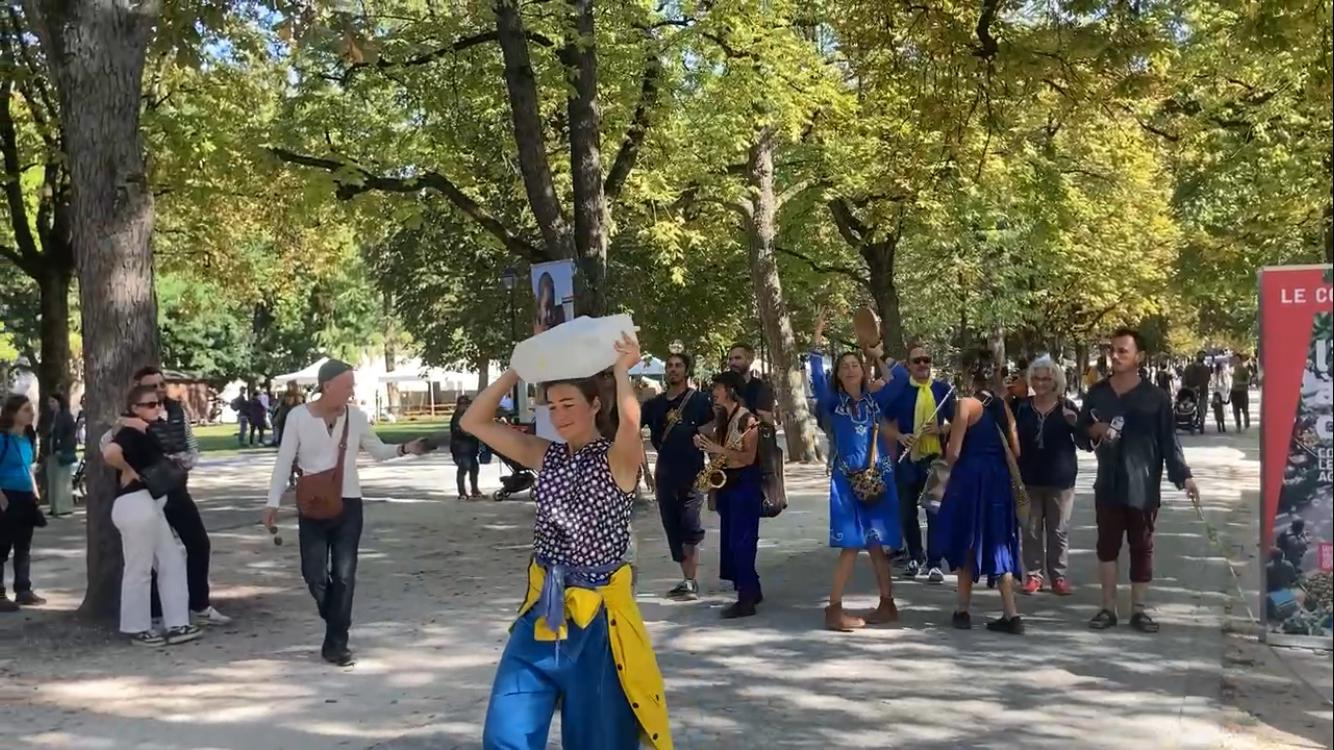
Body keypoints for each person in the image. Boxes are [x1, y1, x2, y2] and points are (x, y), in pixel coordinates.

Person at [460, 333, 672, 750]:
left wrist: (620, 371)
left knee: (600, 741)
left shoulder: (618, 460)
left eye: (569, 404)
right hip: (543, 610)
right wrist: (518, 370)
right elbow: (474, 422)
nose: (558, 415)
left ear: (595, 405)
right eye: (552, 406)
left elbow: (631, 422)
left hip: (597, 621)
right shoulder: (547, 455)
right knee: (505, 735)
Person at [263, 359, 429, 666]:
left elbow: (378, 451)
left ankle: (336, 644)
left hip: (349, 503)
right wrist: (272, 502)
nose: (352, 390)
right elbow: (284, 460)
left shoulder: (357, 417)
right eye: (348, 385)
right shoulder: (298, 417)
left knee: (344, 575)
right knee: (313, 574)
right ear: (328, 387)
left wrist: (406, 449)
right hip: (312, 504)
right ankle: (336, 619)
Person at [1080, 328, 1199, 634]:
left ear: (1139, 357)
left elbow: (1169, 441)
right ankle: (1107, 607)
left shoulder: (1156, 398)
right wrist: (1094, 430)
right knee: (1106, 547)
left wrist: (1184, 476)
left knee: (1141, 547)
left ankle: (1139, 610)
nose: (1116, 356)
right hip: (1108, 484)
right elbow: (1081, 432)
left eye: (1123, 351)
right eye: (1113, 350)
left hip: (1144, 486)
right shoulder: (1097, 393)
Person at [101, 366, 230, 626]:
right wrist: (128, 467)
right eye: (151, 388)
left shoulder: (173, 410)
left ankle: (197, 605)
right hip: (146, 492)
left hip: (173, 487)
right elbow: (108, 446)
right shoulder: (128, 422)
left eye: (161, 386)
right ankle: (154, 614)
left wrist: (184, 461)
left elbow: (188, 442)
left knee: (196, 544)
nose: (158, 393)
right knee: (149, 558)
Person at [809, 314, 906, 632]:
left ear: (863, 370)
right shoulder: (831, 402)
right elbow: (816, 379)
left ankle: (887, 604)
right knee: (851, 544)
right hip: (847, 480)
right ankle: (833, 609)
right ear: (838, 374)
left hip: (880, 476)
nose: (851, 368)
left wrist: (877, 351)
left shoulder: (875, 400)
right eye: (844, 366)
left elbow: (902, 379)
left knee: (877, 544)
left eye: (855, 364)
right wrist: (816, 343)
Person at [102, 385, 201, 646]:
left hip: (149, 504)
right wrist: (126, 469)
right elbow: (110, 452)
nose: (156, 407)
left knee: (172, 560)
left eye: (158, 403)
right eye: (149, 404)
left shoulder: (143, 430)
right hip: (134, 503)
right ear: (135, 408)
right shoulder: (129, 432)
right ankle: (138, 628)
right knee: (140, 568)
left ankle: (178, 623)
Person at [936, 349, 1024, 634]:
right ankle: (1011, 614)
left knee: (967, 537)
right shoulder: (1002, 406)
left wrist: (945, 442)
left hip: (970, 480)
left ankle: (962, 610)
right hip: (998, 479)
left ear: (966, 375)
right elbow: (1016, 450)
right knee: (999, 539)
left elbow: (954, 453)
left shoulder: (965, 405)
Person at [643, 352, 714, 600]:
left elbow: (711, 433)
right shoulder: (655, 405)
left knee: (690, 525)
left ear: (686, 370)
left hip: (693, 473)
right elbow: (632, 430)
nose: (673, 369)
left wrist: (714, 466)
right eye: (670, 366)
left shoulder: (700, 401)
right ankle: (686, 580)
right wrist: (643, 470)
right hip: (664, 473)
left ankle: (691, 581)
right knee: (672, 526)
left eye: (678, 366)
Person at [695, 371, 765, 620]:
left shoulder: (748, 420)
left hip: (744, 484)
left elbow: (748, 457)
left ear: (731, 390)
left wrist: (717, 448)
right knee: (732, 541)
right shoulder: (724, 417)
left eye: (718, 387)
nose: (714, 391)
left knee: (742, 542)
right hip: (729, 484)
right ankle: (751, 588)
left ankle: (746, 600)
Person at [1014, 357, 1087, 596]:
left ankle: (1058, 576)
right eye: (1036, 378)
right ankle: (1034, 576)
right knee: (1031, 530)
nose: (1041, 383)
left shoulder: (1067, 406)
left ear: (1055, 380)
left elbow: (1085, 442)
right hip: (1028, 478)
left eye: (1046, 378)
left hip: (1060, 480)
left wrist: (1075, 424)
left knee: (1058, 530)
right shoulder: (1022, 406)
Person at [884, 343, 954, 582]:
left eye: (926, 359)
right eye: (917, 361)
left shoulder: (943, 390)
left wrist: (941, 428)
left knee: (934, 511)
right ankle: (916, 556)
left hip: (935, 459)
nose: (923, 364)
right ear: (909, 365)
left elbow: (960, 422)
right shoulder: (900, 391)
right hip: (908, 459)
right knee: (906, 511)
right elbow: (881, 422)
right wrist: (900, 436)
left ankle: (935, 562)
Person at [0, 395, 46, 611]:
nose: (31, 413)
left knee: (23, 545)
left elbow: (28, 467)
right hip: (6, 495)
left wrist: (34, 490)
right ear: (13, 413)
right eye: (26, 409)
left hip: (25, 495)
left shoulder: (28, 437)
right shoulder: (3, 438)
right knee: (2, 546)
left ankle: (23, 589)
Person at [726, 343, 785, 508]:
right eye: (730, 359)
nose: (733, 362)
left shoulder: (760, 388)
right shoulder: (723, 386)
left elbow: (767, 422)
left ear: (750, 360)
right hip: (727, 458)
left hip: (752, 459)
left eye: (738, 358)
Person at [40, 393, 78, 518]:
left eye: (53, 401)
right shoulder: (50, 416)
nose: (50, 404)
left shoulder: (66, 416)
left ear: (59, 402)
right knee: (52, 480)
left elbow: (70, 435)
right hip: (50, 451)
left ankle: (63, 508)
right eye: (49, 402)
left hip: (61, 452)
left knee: (62, 480)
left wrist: (64, 448)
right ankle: (54, 507)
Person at [449, 395, 483, 499]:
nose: (467, 407)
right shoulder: (457, 417)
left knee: (474, 468)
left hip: (472, 447)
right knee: (464, 467)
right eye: (464, 405)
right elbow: (464, 432)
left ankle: (475, 490)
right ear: (459, 406)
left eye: (468, 404)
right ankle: (462, 492)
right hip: (460, 448)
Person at [1182, 352, 1212, 433]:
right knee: (1188, 405)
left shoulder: (1206, 369)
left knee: (1202, 407)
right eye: (1200, 355)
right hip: (1190, 391)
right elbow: (1184, 377)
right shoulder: (1189, 368)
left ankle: (1202, 421)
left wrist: (1200, 386)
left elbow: (1207, 379)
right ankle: (1188, 419)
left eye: (1203, 356)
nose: (1202, 357)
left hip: (1202, 391)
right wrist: (1185, 386)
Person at [1230, 354, 1253, 431]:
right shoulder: (1231, 369)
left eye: (1237, 359)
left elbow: (1248, 381)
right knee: (1235, 410)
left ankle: (1247, 423)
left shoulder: (1244, 370)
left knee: (1245, 409)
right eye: (1234, 359)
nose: (1236, 361)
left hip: (1242, 391)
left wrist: (1239, 383)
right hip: (1234, 392)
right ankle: (1238, 425)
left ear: (1240, 360)